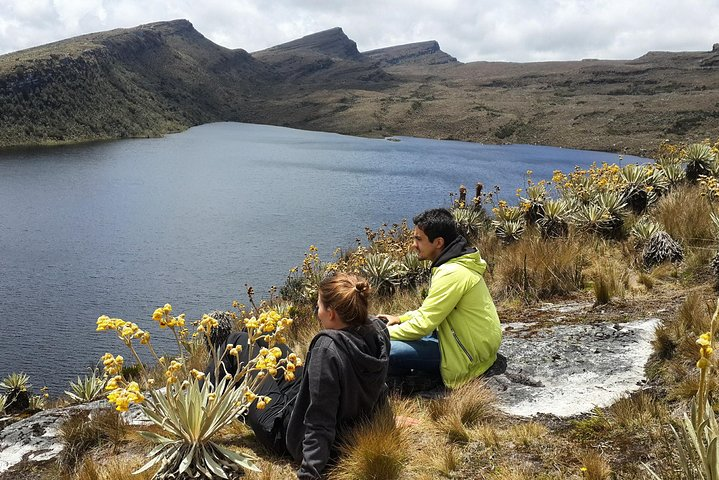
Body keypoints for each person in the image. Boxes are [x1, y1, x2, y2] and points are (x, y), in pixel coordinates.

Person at [211, 273, 390, 479]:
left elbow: (319, 421)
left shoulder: (328, 348)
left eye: (319, 306)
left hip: (285, 429)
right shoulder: (378, 329)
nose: (317, 312)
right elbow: (378, 382)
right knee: (260, 336)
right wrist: (385, 414)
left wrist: (309, 472)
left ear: (331, 313)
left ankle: (193, 401)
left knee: (238, 340)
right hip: (311, 408)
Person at [378, 208, 501, 389]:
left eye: (418, 239)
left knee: (385, 348)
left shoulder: (451, 272)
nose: (413, 245)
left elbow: (423, 325)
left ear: (438, 242)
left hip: (466, 354)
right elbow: (432, 311)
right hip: (474, 343)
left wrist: (377, 334)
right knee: (391, 336)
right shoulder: (455, 263)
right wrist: (400, 319)